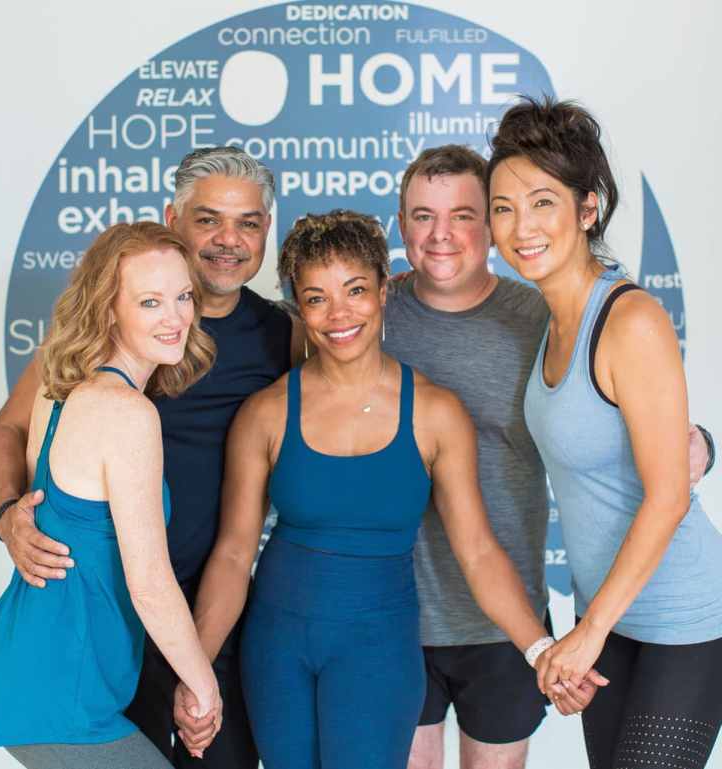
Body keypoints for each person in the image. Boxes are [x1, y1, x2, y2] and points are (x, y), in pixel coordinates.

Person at [175, 210, 591, 769]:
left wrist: (541, 650)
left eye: (355, 290)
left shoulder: (435, 413)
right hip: (277, 645)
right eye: (317, 298)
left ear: (383, 292)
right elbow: (231, 555)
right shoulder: (266, 413)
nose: (339, 314)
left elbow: (477, 551)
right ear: (299, 307)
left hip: (379, 647)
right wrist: (195, 670)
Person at [388, 145, 715, 769]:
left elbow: (653, 447)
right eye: (423, 216)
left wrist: (701, 442)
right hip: (409, 613)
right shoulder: (367, 315)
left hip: (540, 620)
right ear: (401, 225)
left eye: (465, 214)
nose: (441, 234)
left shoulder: (554, 315)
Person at [0, 147, 301, 768]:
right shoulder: (93, 357)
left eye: (248, 223)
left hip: (203, 613)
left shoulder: (281, 335)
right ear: (172, 221)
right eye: (208, 219)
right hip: (107, 619)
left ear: (267, 230)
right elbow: (10, 430)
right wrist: (7, 514)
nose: (228, 240)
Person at [487, 96, 722, 769]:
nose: (521, 227)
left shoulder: (629, 320)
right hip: (609, 618)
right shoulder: (550, 320)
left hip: (681, 620)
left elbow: (668, 496)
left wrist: (587, 632)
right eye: (503, 207)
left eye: (542, 202)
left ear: (587, 209)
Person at [0, 222, 220, 768]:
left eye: (183, 296)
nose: (175, 317)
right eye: (150, 301)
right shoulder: (127, 412)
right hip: (60, 690)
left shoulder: (59, 389)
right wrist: (203, 686)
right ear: (109, 309)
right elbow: (149, 583)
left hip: (38, 669)